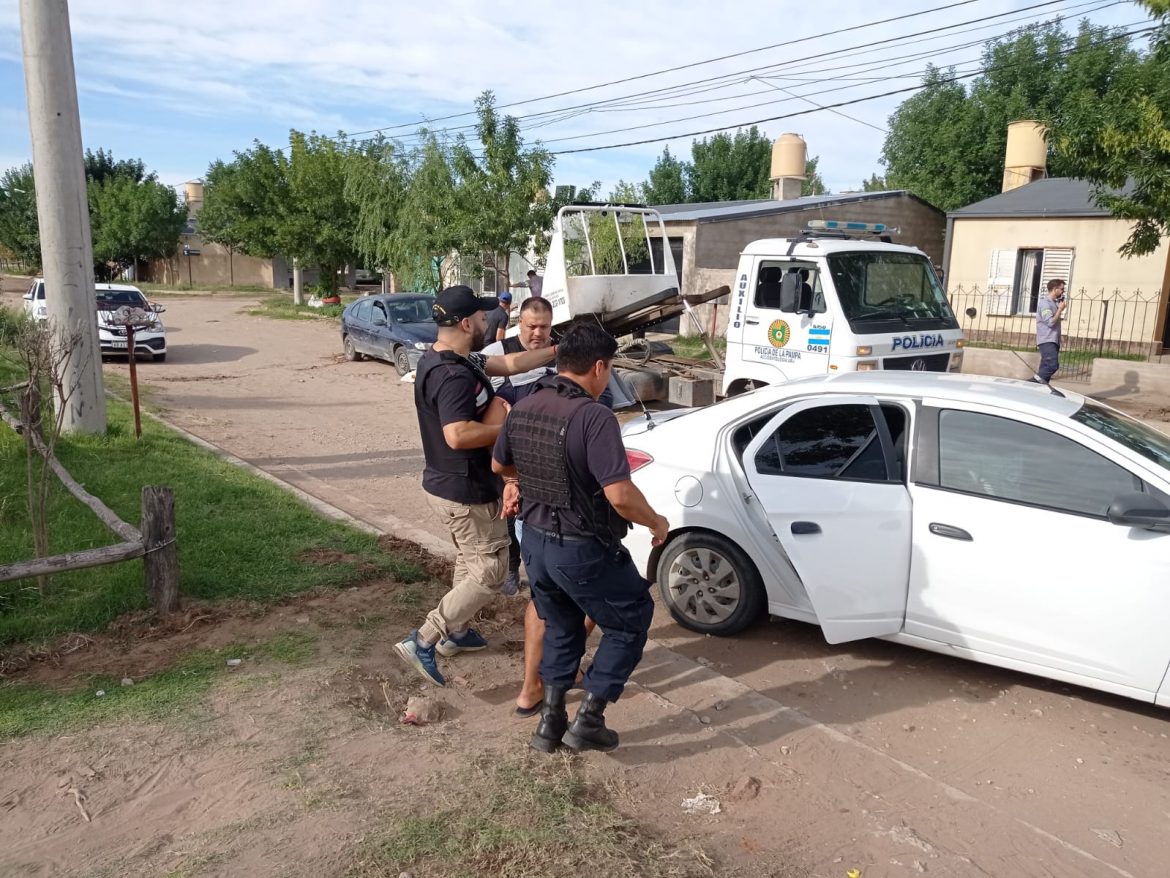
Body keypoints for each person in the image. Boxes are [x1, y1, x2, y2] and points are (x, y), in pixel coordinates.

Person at [493, 320, 669, 753]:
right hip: (580, 549)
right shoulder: (594, 416)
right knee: (630, 620)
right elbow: (620, 494)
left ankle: (551, 722)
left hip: (534, 544)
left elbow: (500, 466)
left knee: (563, 624)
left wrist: (520, 481)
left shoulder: (527, 404)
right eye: (608, 369)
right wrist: (655, 522)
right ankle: (589, 718)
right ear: (598, 367)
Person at [394, 285, 557, 687]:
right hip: (464, 488)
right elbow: (457, 434)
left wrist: (557, 351)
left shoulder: (455, 358)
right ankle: (426, 639)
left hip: (448, 485)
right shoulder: (451, 375)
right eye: (484, 317)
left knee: (469, 560)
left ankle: (458, 633)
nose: (491, 322)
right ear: (467, 323)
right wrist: (511, 424)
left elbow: (513, 363)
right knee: (489, 571)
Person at [1035, 278, 1067, 385]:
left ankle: (1038, 391)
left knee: (1045, 371)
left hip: (1053, 340)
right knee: (1052, 365)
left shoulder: (1053, 303)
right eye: (1062, 289)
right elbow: (1050, 322)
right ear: (1055, 289)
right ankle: (1031, 383)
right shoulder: (1045, 304)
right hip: (1047, 340)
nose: (1063, 291)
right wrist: (1060, 310)